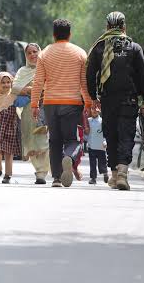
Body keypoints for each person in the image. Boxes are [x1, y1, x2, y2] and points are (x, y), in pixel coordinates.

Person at [86, 12, 144, 191]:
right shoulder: (134, 48)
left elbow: (90, 74)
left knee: (111, 135)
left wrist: (92, 97)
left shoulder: (99, 47)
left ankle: (114, 174)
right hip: (129, 99)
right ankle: (122, 173)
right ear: (124, 27)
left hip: (107, 100)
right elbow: (143, 76)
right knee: (126, 136)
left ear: (107, 27)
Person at [31, 19, 93, 188]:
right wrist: (88, 103)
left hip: (50, 103)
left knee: (54, 141)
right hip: (72, 103)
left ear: (54, 34)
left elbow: (38, 81)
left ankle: (57, 178)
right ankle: (69, 157)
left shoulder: (44, 54)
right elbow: (83, 82)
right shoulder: (80, 53)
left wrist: (34, 104)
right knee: (73, 140)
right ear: (70, 34)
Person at [12, 43, 51, 184]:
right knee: (31, 140)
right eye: (29, 53)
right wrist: (30, 89)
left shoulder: (47, 67)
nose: (33, 55)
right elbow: (15, 87)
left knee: (43, 139)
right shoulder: (23, 71)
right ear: (26, 56)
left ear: (40, 52)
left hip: (45, 108)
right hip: (28, 111)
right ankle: (39, 170)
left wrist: (42, 89)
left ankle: (42, 172)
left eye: (35, 51)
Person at [0, 72, 26, 184]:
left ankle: (8, 175)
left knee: (9, 153)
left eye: (8, 82)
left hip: (10, 130)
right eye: (3, 82)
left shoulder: (13, 97)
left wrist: (31, 95)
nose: (6, 85)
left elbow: (23, 102)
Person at [85, 106, 108, 184]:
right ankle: (93, 178)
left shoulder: (102, 121)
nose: (94, 111)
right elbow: (86, 132)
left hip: (101, 146)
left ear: (99, 111)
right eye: (93, 109)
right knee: (92, 164)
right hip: (91, 146)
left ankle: (105, 173)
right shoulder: (88, 121)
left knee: (102, 162)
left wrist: (105, 141)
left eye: (96, 110)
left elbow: (105, 133)